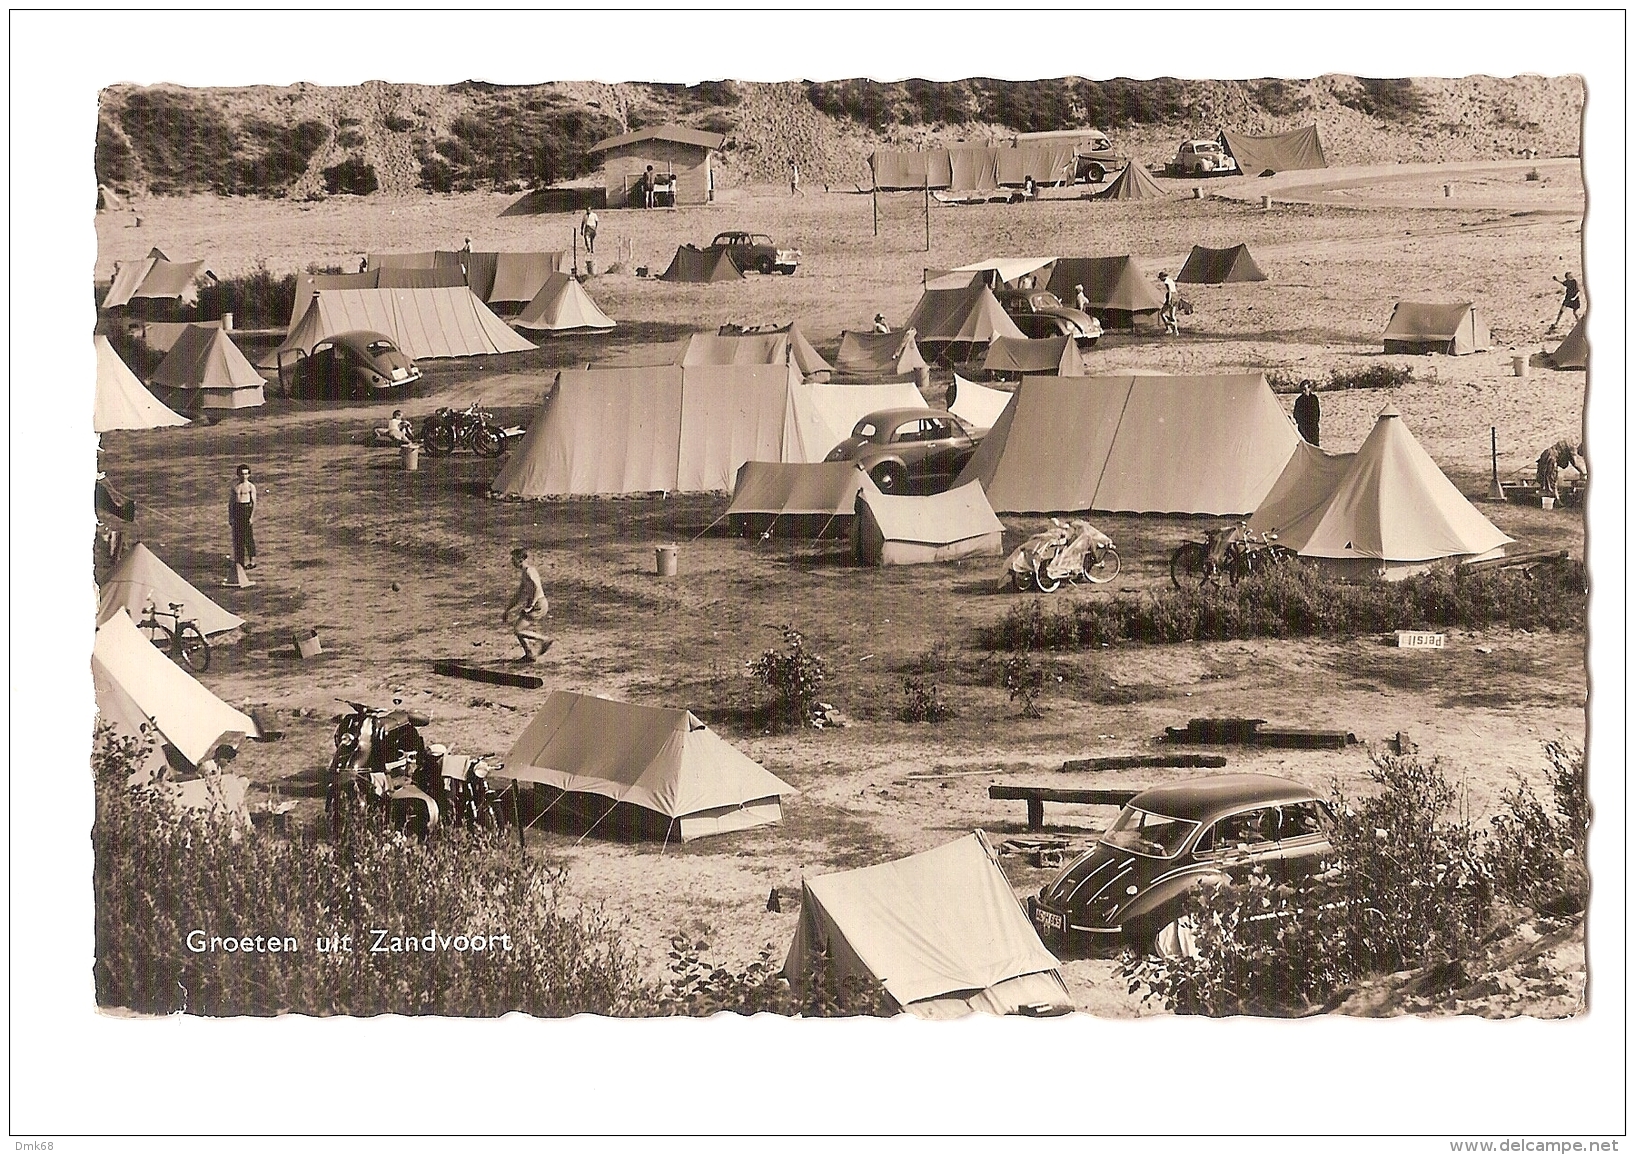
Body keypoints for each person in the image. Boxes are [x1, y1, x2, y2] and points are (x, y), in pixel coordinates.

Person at [502, 548, 551, 662]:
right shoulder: (525, 573)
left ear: (521, 559)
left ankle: (544, 640)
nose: (512, 562)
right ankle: (529, 655)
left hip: (539, 604)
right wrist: (507, 610)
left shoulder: (529, 571)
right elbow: (518, 595)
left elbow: (537, 589)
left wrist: (530, 605)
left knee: (518, 630)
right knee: (518, 628)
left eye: (514, 559)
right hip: (536, 604)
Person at [228, 464, 257, 570]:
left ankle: (252, 561)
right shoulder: (235, 487)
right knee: (238, 538)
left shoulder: (250, 487)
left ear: (249, 475)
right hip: (237, 510)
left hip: (246, 510)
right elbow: (231, 503)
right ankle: (239, 561)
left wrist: (251, 517)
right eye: (242, 474)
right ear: (238, 474)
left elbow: (254, 503)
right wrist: (230, 516)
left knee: (248, 537)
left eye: (246, 474)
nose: (244, 476)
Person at [1293, 381, 1321, 446]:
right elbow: (1296, 414)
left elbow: (1317, 412)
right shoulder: (1299, 400)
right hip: (1303, 428)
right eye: (1302, 390)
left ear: (1309, 388)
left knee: (1315, 446)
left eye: (1304, 389)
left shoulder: (1314, 398)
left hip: (1313, 427)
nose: (1303, 391)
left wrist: (1314, 422)